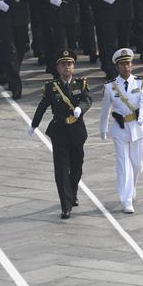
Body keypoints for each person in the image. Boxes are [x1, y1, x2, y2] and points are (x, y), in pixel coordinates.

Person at [29, 49, 92, 219]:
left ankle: (72, 192)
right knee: (61, 170)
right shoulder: (51, 87)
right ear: (57, 67)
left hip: (77, 131)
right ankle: (65, 205)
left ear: (74, 67)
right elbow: (43, 106)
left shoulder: (81, 84)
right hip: (59, 131)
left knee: (77, 167)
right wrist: (34, 124)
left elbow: (87, 99)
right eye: (63, 64)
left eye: (69, 64)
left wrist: (80, 108)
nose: (66, 67)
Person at [98, 48, 143, 214]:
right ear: (117, 67)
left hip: (138, 128)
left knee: (138, 163)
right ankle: (126, 199)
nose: (126, 67)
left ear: (132, 65)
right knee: (123, 165)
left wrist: (142, 116)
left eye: (128, 63)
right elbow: (105, 109)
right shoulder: (110, 87)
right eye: (122, 64)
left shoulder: (140, 83)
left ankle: (132, 187)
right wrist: (102, 129)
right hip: (120, 130)